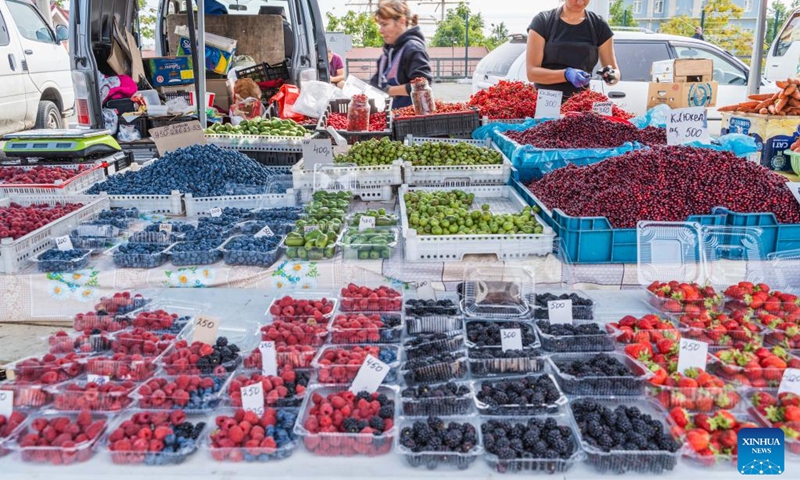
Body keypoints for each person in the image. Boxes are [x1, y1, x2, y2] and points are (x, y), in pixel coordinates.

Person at [526, 0, 620, 100]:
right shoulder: (543, 21)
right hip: (546, 101)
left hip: (581, 103)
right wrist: (566, 74)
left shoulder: (599, 25)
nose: (580, 2)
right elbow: (532, 73)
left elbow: (614, 71)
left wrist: (611, 76)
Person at [370, 0, 433, 109]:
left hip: (410, 121)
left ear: (402, 21)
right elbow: (375, 83)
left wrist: (390, 90)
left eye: (384, 24)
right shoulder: (387, 54)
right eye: (380, 25)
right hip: (392, 118)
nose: (380, 31)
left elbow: (422, 85)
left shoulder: (413, 49)